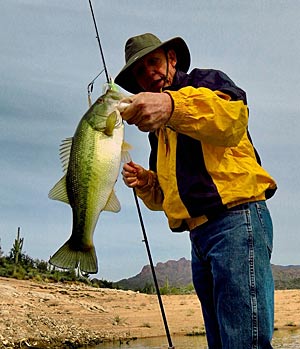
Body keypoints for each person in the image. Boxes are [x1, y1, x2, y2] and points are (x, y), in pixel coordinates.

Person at [115, 33, 277, 349]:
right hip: (199, 239)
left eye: (153, 62)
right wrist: (147, 183)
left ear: (172, 59)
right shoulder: (156, 133)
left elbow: (233, 121)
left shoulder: (206, 81)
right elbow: (169, 196)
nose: (148, 72)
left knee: (245, 343)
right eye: (140, 70)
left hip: (236, 221)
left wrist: (172, 105)